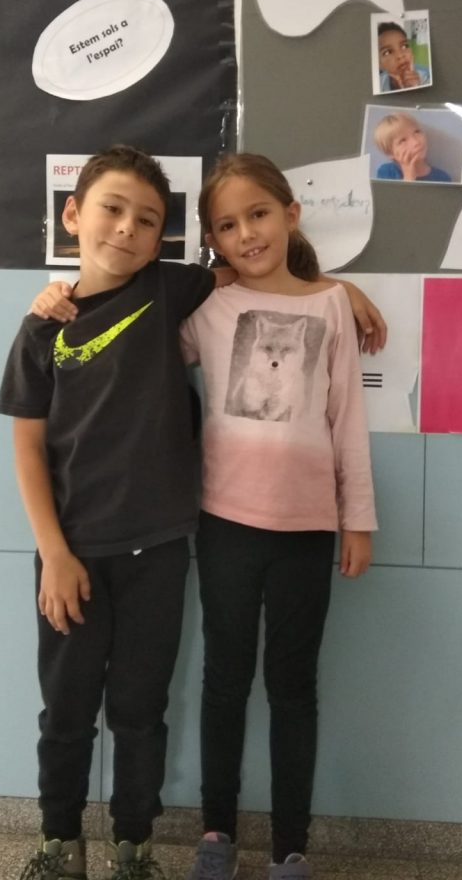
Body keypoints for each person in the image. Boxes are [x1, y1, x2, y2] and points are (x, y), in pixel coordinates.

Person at [6, 146, 385, 880]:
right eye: (112, 210)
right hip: (143, 536)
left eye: (147, 220)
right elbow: (31, 438)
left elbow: (332, 388)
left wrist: (341, 289)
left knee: (201, 700)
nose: (127, 228)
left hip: (221, 539)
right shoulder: (93, 319)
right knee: (107, 703)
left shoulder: (209, 295)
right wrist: (48, 301)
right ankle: (96, 841)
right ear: (73, 214)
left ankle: (209, 847)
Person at [179, 153, 377, 880]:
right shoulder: (207, 307)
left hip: (307, 529)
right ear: (214, 239)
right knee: (224, 681)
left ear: (291, 215)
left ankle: (290, 847)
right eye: (227, 226)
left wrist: (358, 519)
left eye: (258, 215)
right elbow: (140, 338)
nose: (247, 234)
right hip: (225, 522)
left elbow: (346, 419)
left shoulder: (332, 306)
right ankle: (216, 834)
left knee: (293, 688)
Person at [373, 112, 452, 183]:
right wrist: (409, 178)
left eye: (417, 132)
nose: (416, 142)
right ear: (390, 153)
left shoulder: (442, 178)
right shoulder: (387, 172)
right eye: (403, 140)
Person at [376, 21, 430, 93]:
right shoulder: (378, 84)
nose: (400, 56)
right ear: (379, 64)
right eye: (388, 52)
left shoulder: (428, 77)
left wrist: (415, 87)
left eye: (404, 46)